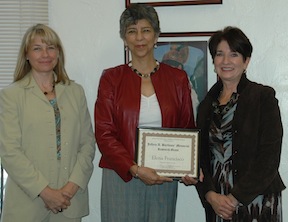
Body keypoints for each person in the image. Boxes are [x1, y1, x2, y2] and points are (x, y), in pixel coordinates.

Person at [94, 3, 199, 222]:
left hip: (163, 177)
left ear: (156, 36)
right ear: (124, 38)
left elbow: (187, 127)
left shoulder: (177, 79)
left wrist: (190, 166)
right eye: (132, 31)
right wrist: (133, 168)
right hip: (121, 176)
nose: (139, 37)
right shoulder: (111, 79)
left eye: (146, 30)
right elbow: (104, 133)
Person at [0, 24, 95, 222]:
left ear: (58, 53)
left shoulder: (75, 92)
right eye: (37, 48)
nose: (45, 54)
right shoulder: (11, 96)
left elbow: (87, 145)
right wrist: (45, 192)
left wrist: (71, 187)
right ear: (26, 54)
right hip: (27, 203)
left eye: (51, 47)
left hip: (69, 201)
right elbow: (9, 152)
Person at [196, 26, 285, 221]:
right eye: (220, 54)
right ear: (213, 61)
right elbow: (200, 158)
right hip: (218, 201)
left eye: (234, 54)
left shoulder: (263, 97)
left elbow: (269, 158)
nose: (226, 61)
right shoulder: (205, 105)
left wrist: (235, 198)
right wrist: (210, 195)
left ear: (246, 61)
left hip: (256, 199)